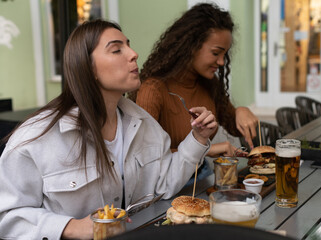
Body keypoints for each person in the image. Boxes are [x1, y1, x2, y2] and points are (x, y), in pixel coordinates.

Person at [0, 19, 217, 239]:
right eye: (116, 50)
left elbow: (164, 184)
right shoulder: (35, 138)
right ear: (87, 67)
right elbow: (6, 218)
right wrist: (71, 227)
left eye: (129, 45)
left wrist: (197, 138)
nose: (133, 54)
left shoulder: (144, 123)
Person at [131, 3, 258, 159]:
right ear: (191, 46)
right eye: (216, 53)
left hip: (202, 176)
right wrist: (202, 149)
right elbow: (144, 156)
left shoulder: (209, 84)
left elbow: (235, 127)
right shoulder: (153, 89)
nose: (221, 62)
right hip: (168, 183)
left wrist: (241, 111)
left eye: (224, 54)